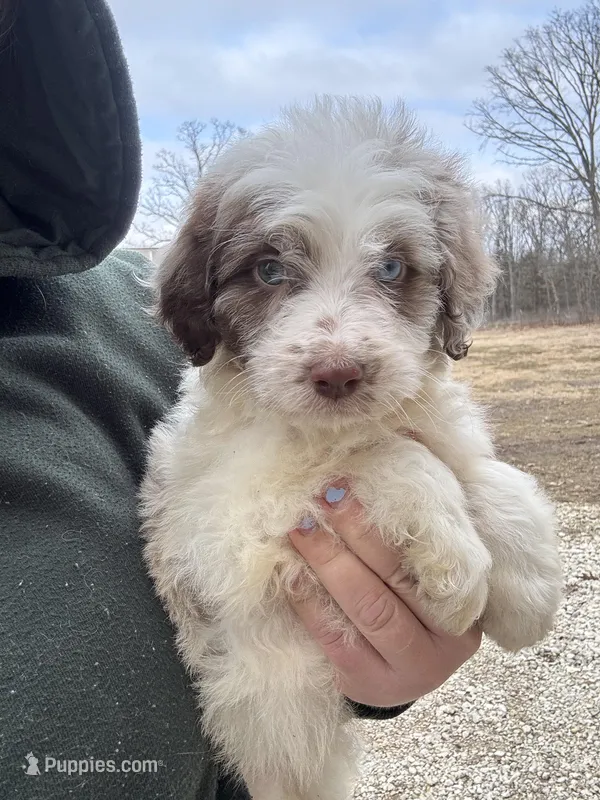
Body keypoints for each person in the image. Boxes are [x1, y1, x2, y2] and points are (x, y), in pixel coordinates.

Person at [0, 0, 480, 797]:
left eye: (389, 271)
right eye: (269, 271)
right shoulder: (187, 324)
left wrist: (379, 657)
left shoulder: (122, 328)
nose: (335, 351)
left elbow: (286, 576)